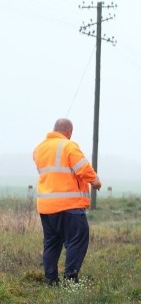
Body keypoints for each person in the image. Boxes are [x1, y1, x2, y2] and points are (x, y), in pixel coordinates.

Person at [32, 118, 102, 284]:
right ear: (69, 131)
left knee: (51, 243)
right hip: (69, 206)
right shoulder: (69, 146)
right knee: (77, 240)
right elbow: (83, 168)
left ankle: (51, 280)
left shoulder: (39, 148)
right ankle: (70, 278)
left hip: (46, 207)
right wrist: (95, 181)